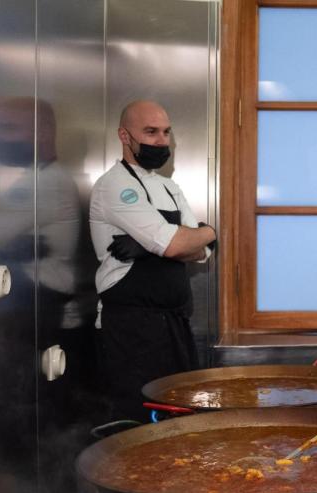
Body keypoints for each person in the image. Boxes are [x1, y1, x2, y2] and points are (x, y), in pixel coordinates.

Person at [90, 100, 216, 421]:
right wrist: (201, 233)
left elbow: (203, 253)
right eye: (150, 132)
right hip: (131, 334)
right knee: (139, 428)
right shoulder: (114, 185)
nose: (161, 141)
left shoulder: (170, 187)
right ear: (124, 135)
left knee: (182, 420)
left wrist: (152, 245)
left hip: (174, 327)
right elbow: (178, 246)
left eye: (166, 132)